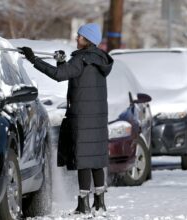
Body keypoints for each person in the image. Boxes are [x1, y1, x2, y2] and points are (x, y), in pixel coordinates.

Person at [19, 23, 113, 214]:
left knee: (84, 160)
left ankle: (83, 204)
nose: (76, 39)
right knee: (95, 159)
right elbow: (71, 73)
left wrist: (33, 59)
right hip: (97, 116)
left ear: (88, 40)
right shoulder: (99, 59)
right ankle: (100, 202)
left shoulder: (82, 59)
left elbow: (59, 75)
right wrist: (62, 61)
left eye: (80, 36)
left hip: (82, 117)